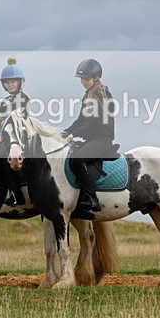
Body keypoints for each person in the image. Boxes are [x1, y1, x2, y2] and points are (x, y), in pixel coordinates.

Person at [62, 58, 116, 212]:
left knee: (78, 159)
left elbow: (95, 122)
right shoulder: (88, 95)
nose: (83, 82)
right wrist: (64, 133)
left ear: (96, 78)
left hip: (102, 138)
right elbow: (80, 121)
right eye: (82, 79)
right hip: (92, 137)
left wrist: (75, 134)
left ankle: (92, 199)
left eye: (86, 79)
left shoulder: (102, 94)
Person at [0, 57, 29, 206]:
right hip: (9, 138)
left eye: (13, 82)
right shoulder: (6, 101)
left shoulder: (23, 99)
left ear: (20, 82)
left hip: (20, 137)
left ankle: (17, 195)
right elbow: (0, 120)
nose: (10, 85)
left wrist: (2, 136)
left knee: (3, 157)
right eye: (7, 82)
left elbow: (16, 120)